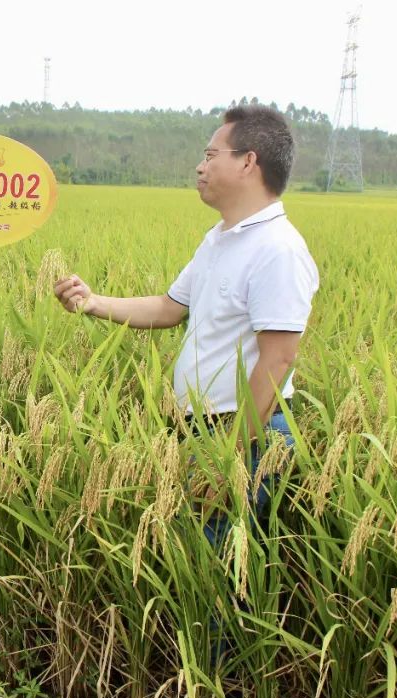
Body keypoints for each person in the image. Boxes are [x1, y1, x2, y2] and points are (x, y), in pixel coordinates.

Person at [54, 104, 319, 538]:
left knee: (223, 573)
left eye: (211, 155)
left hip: (244, 435)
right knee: (196, 558)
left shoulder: (278, 249)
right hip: (204, 430)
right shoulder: (220, 239)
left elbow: (278, 361)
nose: (200, 166)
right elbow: (169, 307)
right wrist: (93, 302)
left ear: (248, 161)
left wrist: (228, 460)